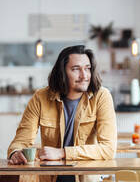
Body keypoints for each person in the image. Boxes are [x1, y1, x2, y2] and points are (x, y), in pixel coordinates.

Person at [7, 45, 117, 182]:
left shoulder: (101, 96)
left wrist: (62, 153)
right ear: (62, 72)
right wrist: (15, 153)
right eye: (76, 69)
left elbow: (108, 149)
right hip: (50, 177)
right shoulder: (40, 97)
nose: (84, 76)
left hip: (86, 179)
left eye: (87, 68)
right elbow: (20, 141)